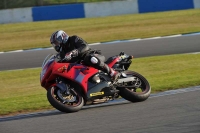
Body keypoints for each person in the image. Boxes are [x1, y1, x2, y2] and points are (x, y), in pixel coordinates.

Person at [50, 30, 120, 82]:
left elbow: (85, 46)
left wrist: (75, 51)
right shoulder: (62, 53)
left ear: (62, 38)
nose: (56, 45)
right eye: (54, 44)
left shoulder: (74, 39)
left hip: (92, 56)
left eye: (56, 42)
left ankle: (112, 72)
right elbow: (61, 62)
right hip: (80, 66)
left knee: (90, 58)